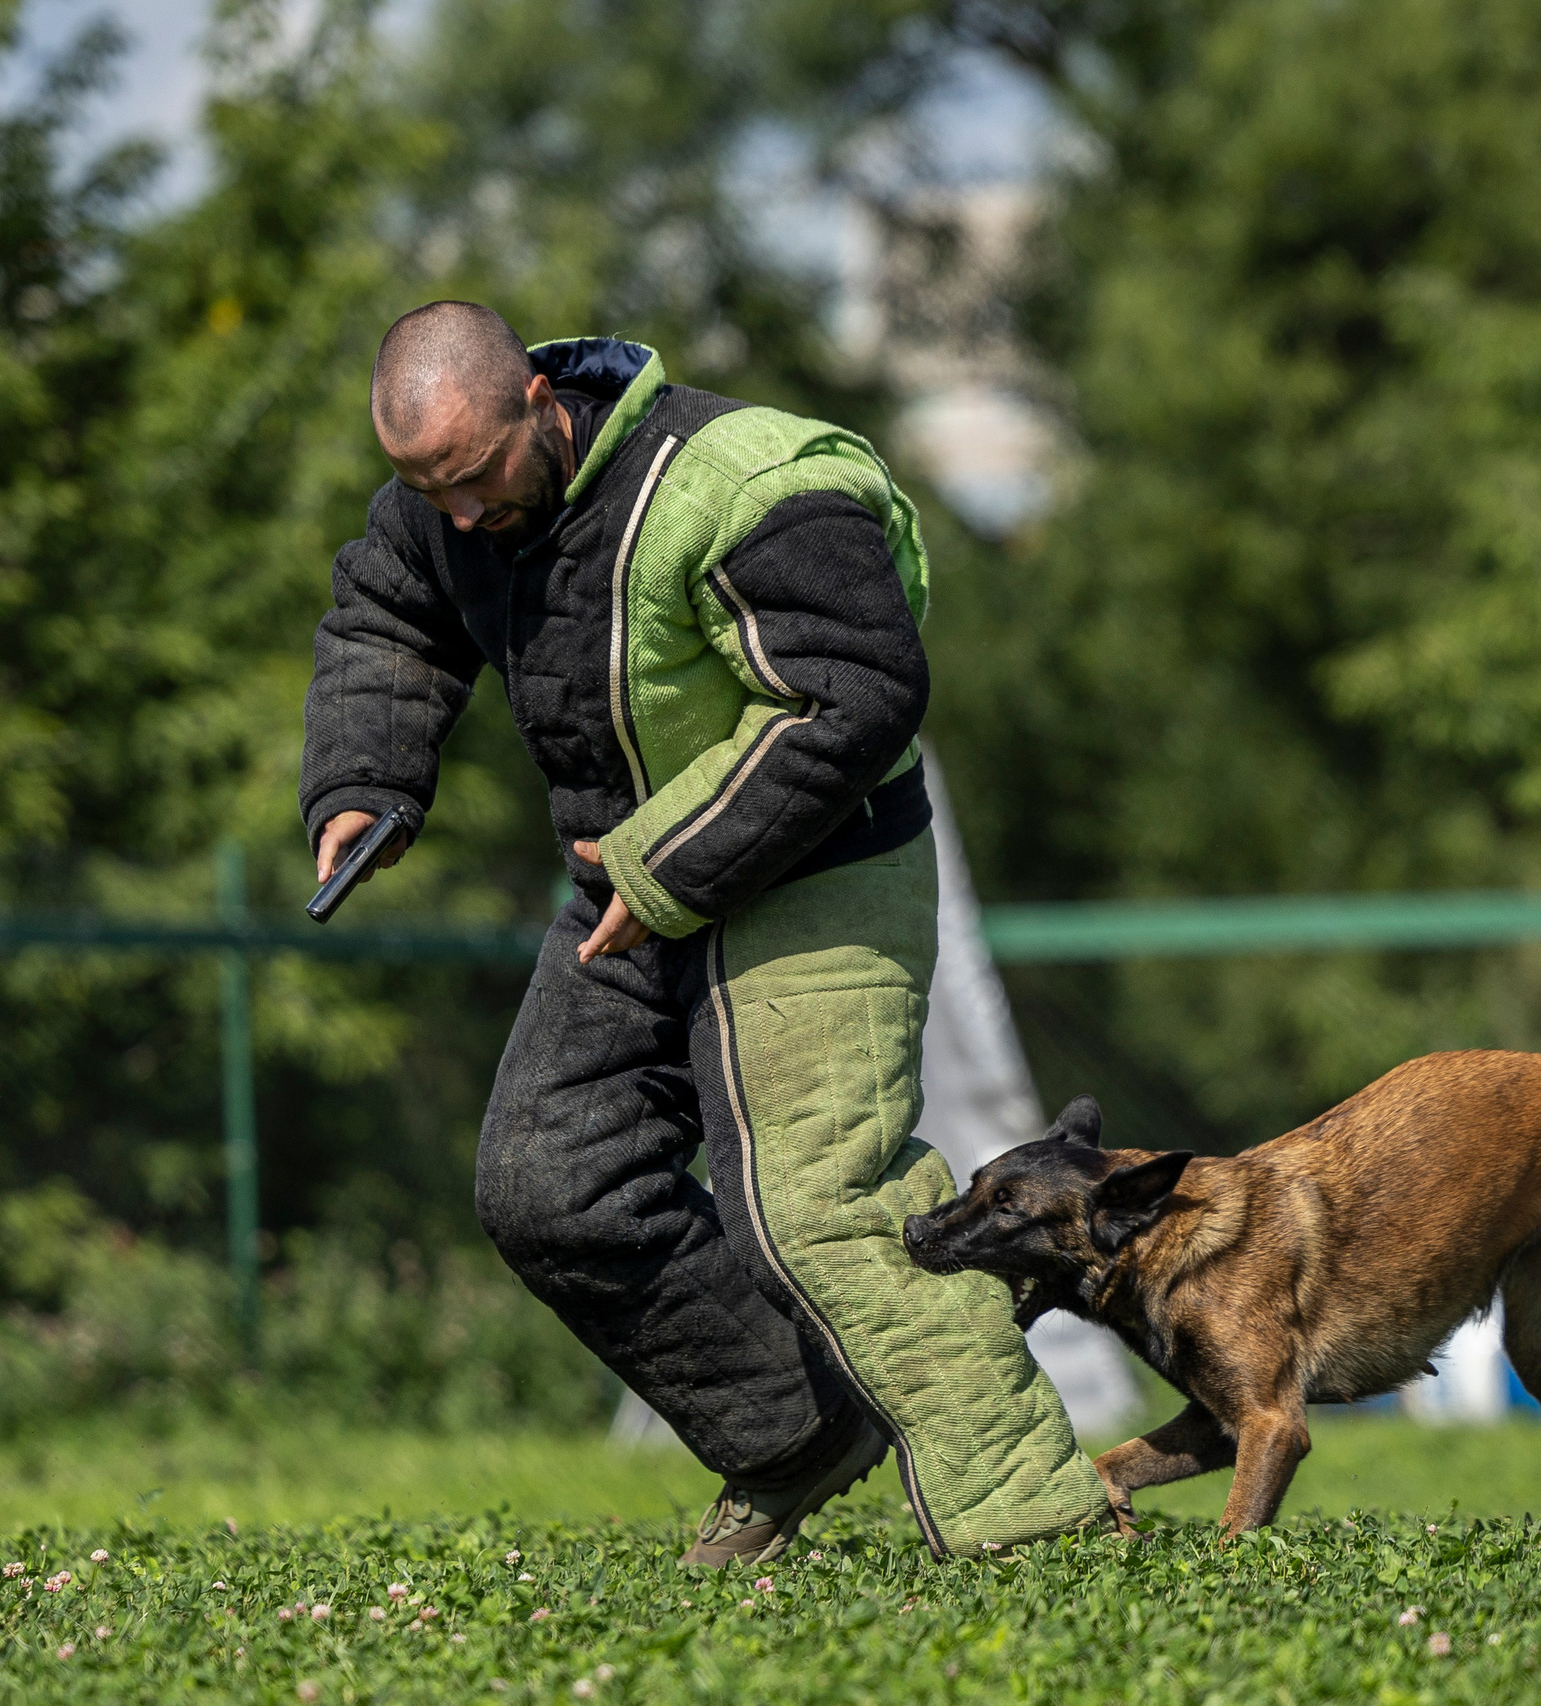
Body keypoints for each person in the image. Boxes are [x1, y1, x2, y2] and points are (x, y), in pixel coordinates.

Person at [299, 302, 1110, 1564]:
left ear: (537, 402)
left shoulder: (744, 486)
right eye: (424, 488)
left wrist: (667, 862)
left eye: (472, 476)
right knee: (550, 1185)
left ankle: (1036, 1523)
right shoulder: (446, 509)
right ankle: (795, 1434)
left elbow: (858, 691)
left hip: (815, 861)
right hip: (627, 888)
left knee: (819, 1204)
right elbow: (387, 616)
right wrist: (365, 776)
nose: (454, 513)